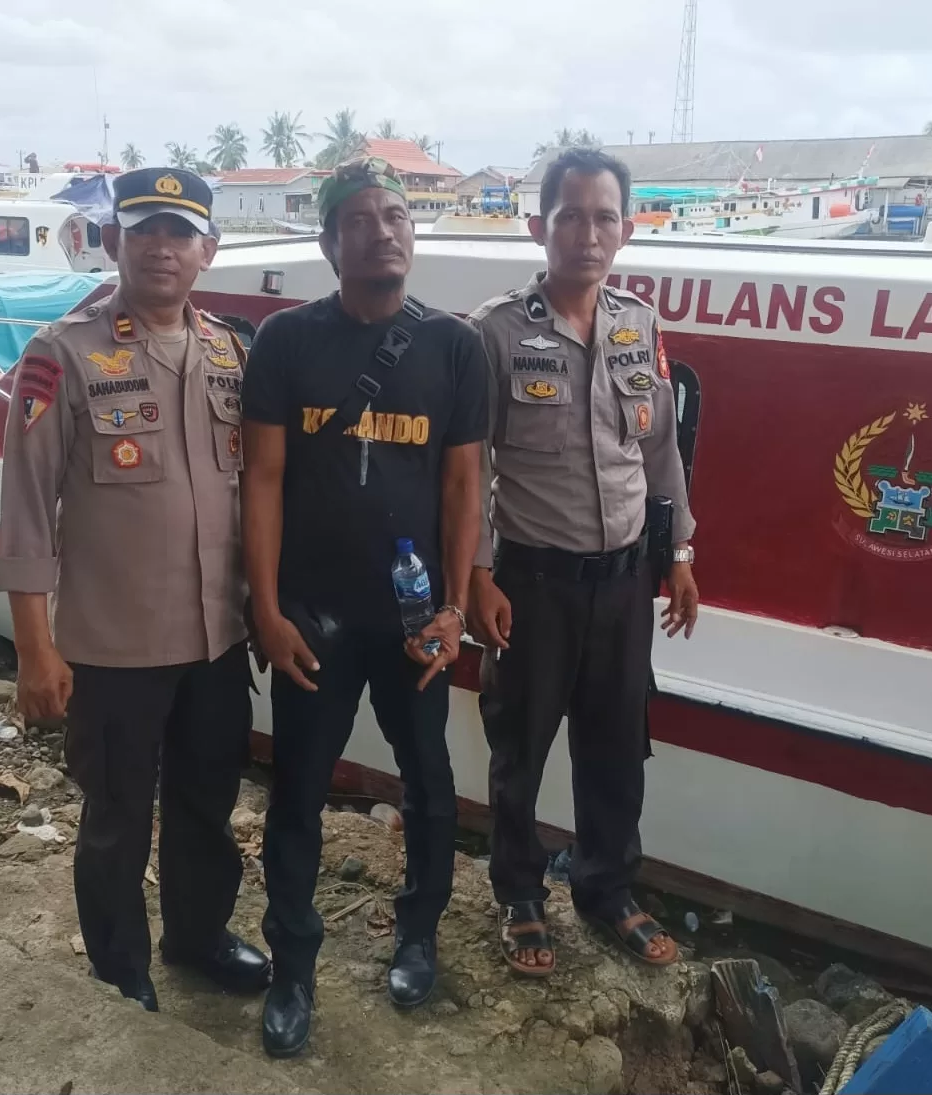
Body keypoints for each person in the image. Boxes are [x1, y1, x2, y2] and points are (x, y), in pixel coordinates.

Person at [0, 167, 270, 1014]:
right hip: (114, 646)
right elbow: (26, 513)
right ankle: (121, 967)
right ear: (115, 241)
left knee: (205, 803)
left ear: (208, 251)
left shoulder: (232, 350)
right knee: (116, 816)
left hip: (217, 639)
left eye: (181, 232)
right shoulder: (63, 352)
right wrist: (36, 650)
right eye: (144, 228)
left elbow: (256, 491)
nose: (162, 246)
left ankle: (197, 936)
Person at [242, 156, 487, 1057]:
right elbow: (262, 482)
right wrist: (265, 609)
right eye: (361, 219)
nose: (382, 229)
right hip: (313, 615)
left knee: (429, 783)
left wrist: (456, 608)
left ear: (412, 236)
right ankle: (293, 966)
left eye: (397, 216)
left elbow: (465, 488)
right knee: (298, 792)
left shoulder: (455, 348)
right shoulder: (286, 343)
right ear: (328, 242)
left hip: (414, 617)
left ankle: (417, 932)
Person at [468, 148, 699, 976]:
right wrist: (476, 573)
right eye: (571, 216)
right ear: (540, 226)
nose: (589, 234)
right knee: (520, 746)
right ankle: (522, 894)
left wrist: (679, 552)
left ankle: (606, 887)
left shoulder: (640, 324)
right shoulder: (494, 331)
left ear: (627, 229)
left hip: (625, 581)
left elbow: (664, 450)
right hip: (532, 582)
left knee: (615, 743)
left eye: (605, 218)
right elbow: (472, 468)